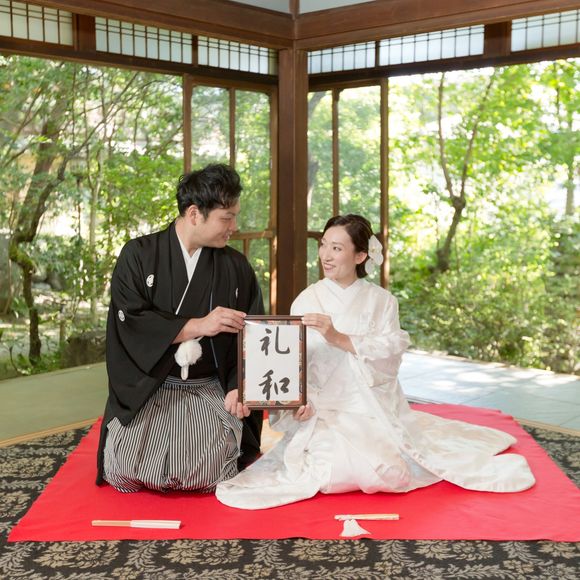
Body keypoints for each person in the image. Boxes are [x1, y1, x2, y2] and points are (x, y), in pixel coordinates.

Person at [216, 214, 535, 509]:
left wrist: (338, 337)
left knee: (388, 474)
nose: (326, 255)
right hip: (321, 411)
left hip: (369, 407)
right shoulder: (307, 299)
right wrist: (300, 401)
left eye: (337, 248)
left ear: (360, 256)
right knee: (329, 472)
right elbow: (290, 363)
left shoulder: (382, 301)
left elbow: (389, 357)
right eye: (324, 245)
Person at [96, 163, 264, 493]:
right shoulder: (138, 255)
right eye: (227, 218)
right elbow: (130, 321)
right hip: (152, 387)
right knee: (126, 468)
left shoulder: (236, 266)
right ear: (194, 214)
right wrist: (198, 325)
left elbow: (253, 335)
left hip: (209, 388)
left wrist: (239, 386)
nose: (234, 226)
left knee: (210, 473)